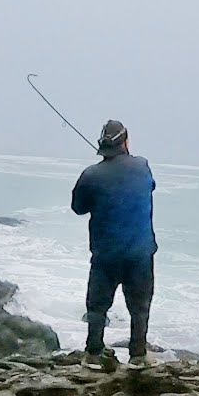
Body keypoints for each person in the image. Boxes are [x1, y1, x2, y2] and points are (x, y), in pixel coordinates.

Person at [71, 120, 158, 367]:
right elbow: (150, 187)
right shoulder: (142, 166)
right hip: (140, 252)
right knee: (140, 306)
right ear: (126, 142)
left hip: (105, 253)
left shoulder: (91, 174)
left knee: (97, 306)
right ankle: (138, 356)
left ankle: (94, 354)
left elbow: (78, 208)